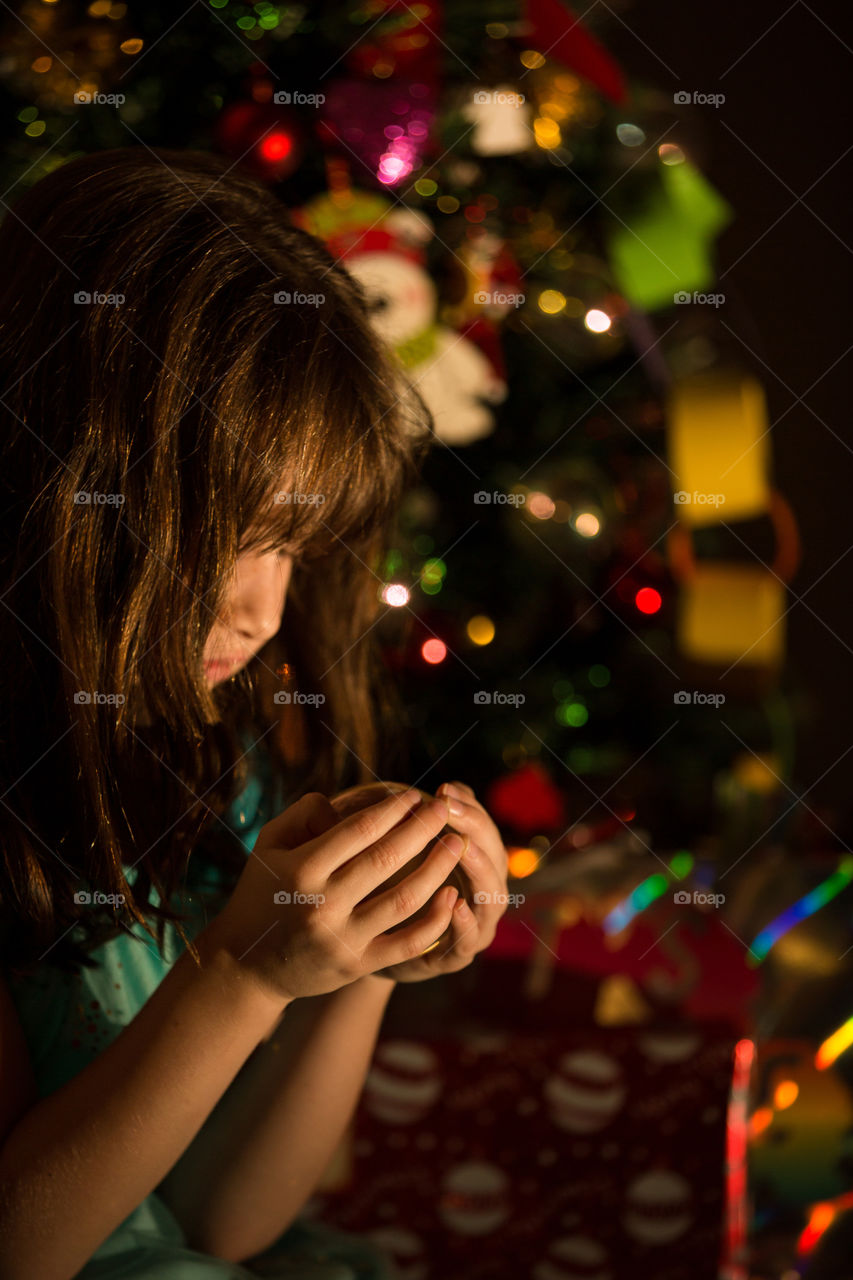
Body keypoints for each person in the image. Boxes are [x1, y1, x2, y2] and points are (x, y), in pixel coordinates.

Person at [0, 148, 509, 1280]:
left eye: (291, 543)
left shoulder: (205, 748)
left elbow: (226, 1224)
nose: (263, 606)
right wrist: (239, 976)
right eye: (228, 528)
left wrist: (372, 951)